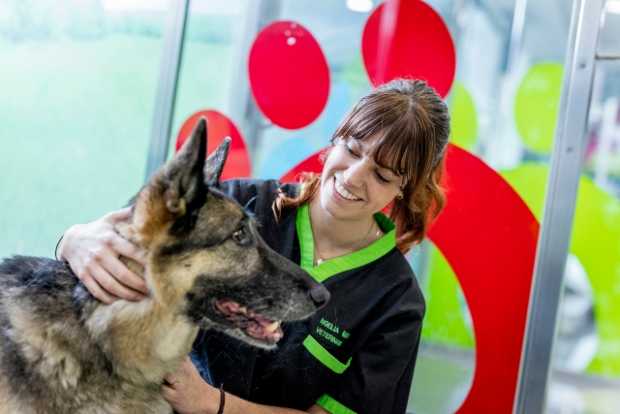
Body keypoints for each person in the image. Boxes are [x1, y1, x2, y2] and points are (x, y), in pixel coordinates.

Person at [57, 78, 450, 414]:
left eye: (381, 174)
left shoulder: (395, 301)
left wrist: (214, 404)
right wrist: (73, 240)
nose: (353, 176)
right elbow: (129, 242)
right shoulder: (240, 204)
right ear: (335, 140)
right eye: (352, 149)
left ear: (406, 189)